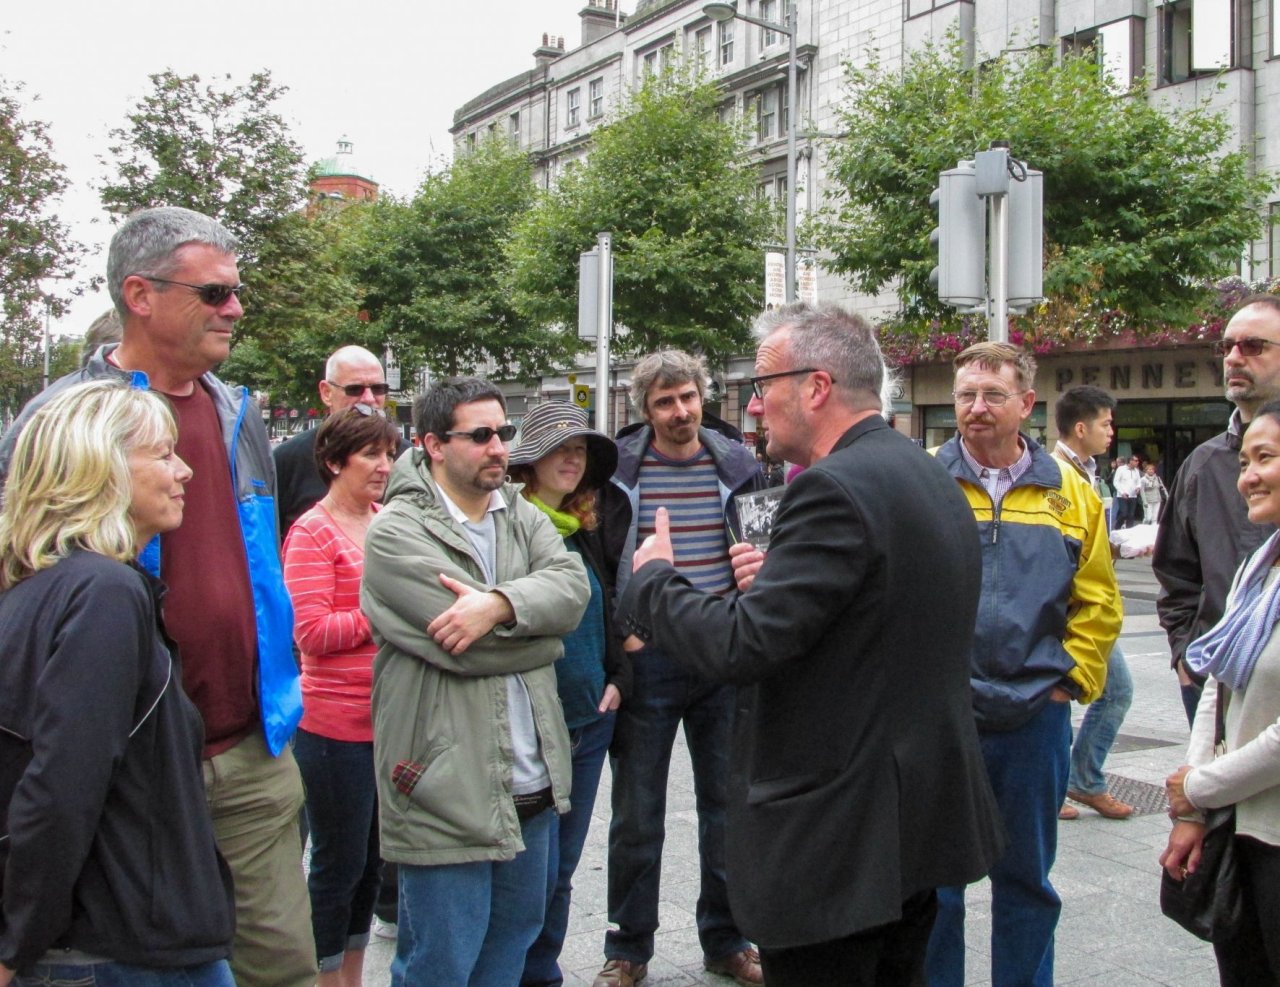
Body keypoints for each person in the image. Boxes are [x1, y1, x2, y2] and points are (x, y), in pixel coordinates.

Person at [617, 304, 1003, 986]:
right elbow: (872, 622)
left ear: (817, 387)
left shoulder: (830, 488)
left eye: (765, 387)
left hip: (839, 845)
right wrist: (782, 588)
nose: (756, 408)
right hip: (909, 831)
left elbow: (743, 644)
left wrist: (654, 580)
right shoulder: (922, 472)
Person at [0, 206, 314, 987]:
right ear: (140, 294)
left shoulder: (238, 412)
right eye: (214, 293)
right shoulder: (62, 421)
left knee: (281, 971)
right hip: (124, 778)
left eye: (236, 292)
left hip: (248, 749)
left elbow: (256, 564)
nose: (235, 308)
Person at [0, 380, 235, 986]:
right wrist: (13, 943)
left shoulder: (37, 591)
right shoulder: (105, 592)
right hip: (120, 950)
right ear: (98, 468)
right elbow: (62, 784)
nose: (184, 470)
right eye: (161, 454)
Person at [360, 377, 590, 986]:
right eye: (480, 435)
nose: (499, 448)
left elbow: (574, 592)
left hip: (534, 779)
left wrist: (498, 605)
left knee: (509, 952)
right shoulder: (395, 533)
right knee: (440, 965)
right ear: (432, 444)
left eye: (504, 433)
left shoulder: (518, 511)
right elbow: (464, 653)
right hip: (445, 786)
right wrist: (540, 633)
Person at [926, 342, 1122, 987]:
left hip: (1036, 715)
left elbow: (1098, 600)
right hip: (942, 715)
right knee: (935, 888)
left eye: (992, 395)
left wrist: (1070, 683)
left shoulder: (1071, 492)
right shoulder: (925, 478)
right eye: (965, 395)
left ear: (1027, 404)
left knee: (1027, 882)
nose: (975, 408)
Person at [593, 350, 764, 987]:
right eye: (665, 401)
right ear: (646, 410)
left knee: (729, 807)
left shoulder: (740, 465)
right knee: (637, 812)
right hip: (652, 658)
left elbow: (762, 549)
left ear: (703, 396)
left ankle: (727, 940)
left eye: (688, 396)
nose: (680, 411)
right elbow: (602, 558)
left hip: (723, 650)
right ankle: (628, 948)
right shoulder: (619, 473)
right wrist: (627, 635)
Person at [507, 402, 630, 987]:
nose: (572, 458)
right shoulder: (507, 526)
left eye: (579, 449)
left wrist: (616, 679)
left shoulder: (585, 527)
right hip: (533, 728)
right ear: (529, 461)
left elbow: (604, 611)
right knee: (528, 868)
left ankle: (542, 974)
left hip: (588, 720)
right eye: (560, 448)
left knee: (561, 869)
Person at [1160, 397, 1280, 984]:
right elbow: (1220, 688)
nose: (1247, 476)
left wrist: (1198, 788)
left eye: (1266, 458)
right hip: (1244, 832)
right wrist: (1194, 813)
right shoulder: (1260, 570)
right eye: (1245, 461)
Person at [283, 404, 401, 986]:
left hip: (389, 722)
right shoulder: (312, 531)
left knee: (374, 866)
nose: (384, 465)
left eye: (388, 453)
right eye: (370, 454)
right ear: (334, 462)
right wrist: (380, 615)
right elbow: (309, 633)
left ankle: (351, 977)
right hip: (334, 730)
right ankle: (323, 977)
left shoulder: (388, 519)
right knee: (337, 867)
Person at [1156, 294, 1280, 726]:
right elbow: (1175, 570)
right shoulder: (1203, 465)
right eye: (1226, 346)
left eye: (1252, 346)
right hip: (1214, 680)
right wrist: (1185, 654)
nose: (1233, 357)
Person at [1052, 386, 1136, 821]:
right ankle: (1070, 781)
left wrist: (1121, 544)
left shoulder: (1087, 471)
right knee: (1112, 690)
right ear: (1080, 427)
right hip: (1071, 611)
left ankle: (1080, 779)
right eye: (1105, 423)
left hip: (1092, 607)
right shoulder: (1055, 474)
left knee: (1110, 691)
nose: (1111, 431)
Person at [274, 344, 405, 538]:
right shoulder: (286, 461)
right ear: (326, 392)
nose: (369, 399)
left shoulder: (408, 458)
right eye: (355, 389)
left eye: (378, 389)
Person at [1112, 454, 1143, 528]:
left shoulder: (1136, 471)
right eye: (1136, 461)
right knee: (1124, 513)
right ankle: (1117, 527)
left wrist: (1138, 487)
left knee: (1131, 515)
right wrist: (1122, 492)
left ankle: (1129, 531)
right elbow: (1116, 482)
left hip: (1133, 495)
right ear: (1130, 461)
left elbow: (1139, 481)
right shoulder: (1121, 469)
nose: (1137, 462)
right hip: (1122, 495)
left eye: (1137, 461)